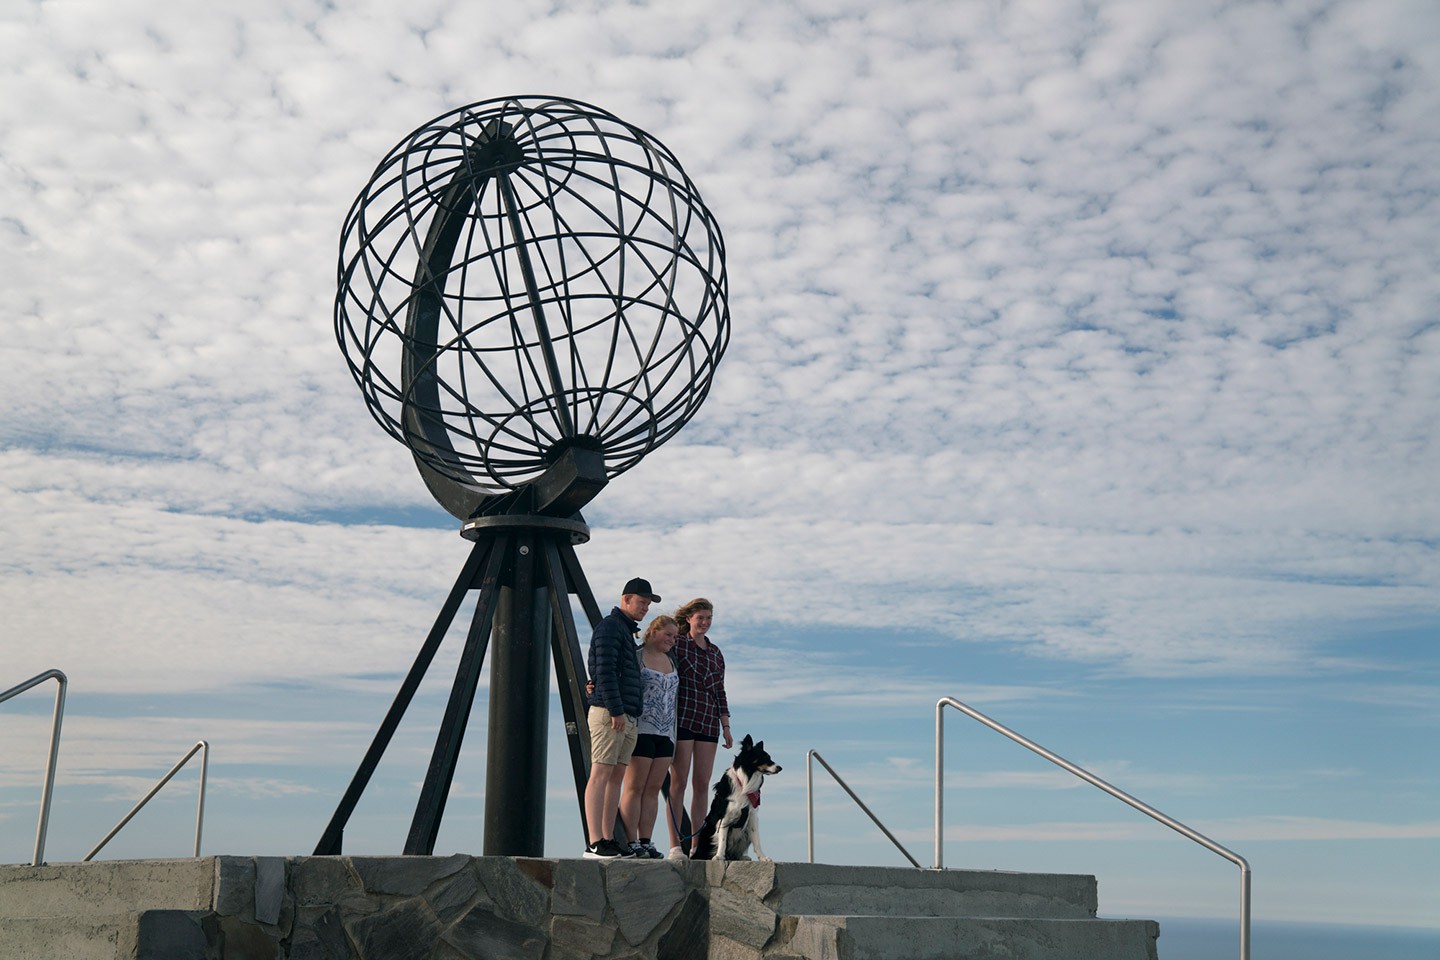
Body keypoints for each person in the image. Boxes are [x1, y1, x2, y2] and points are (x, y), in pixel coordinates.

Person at [582, 576, 659, 859]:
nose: (645, 608)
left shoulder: (625, 631)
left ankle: (608, 838)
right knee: (600, 775)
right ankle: (594, 842)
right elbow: (603, 670)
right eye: (641, 602)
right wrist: (615, 709)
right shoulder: (610, 627)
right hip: (609, 713)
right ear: (625, 599)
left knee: (615, 777)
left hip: (626, 714)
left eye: (648, 604)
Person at [666, 597, 731, 860]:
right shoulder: (678, 643)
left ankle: (696, 846)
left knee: (702, 783)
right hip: (682, 718)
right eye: (700, 618)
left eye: (708, 618)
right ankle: (674, 846)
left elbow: (720, 691)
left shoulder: (715, 653)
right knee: (678, 782)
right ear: (689, 619)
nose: (704, 623)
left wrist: (726, 725)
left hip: (708, 721)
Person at [618, 615, 680, 859]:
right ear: (653, 632)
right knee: (635, 787)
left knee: (653, 789)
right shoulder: (637, 657)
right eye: (668, 635)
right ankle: (630, 840)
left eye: (675, 637)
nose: (672, 640)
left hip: (666, 733)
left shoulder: (672, 660)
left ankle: (645, 840)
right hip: (641, 729)